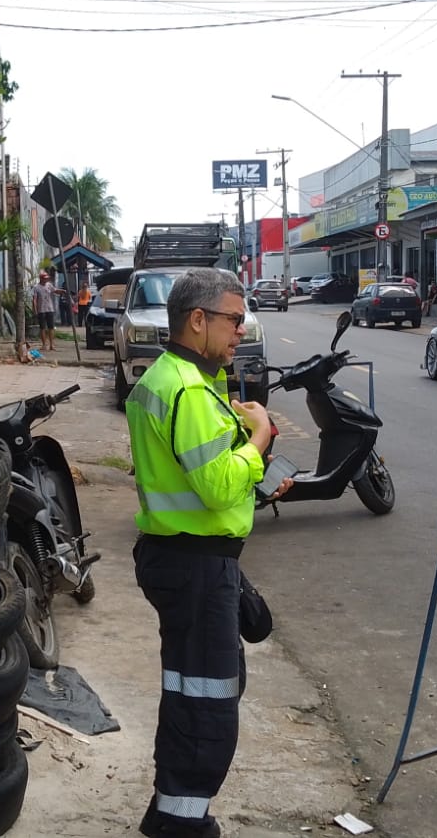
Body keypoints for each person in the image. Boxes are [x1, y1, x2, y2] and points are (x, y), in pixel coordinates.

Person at [125, 267, 293, 838]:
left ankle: (170, 811)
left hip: (184, 557)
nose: (241, 331)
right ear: (198, 321)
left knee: (195, 688)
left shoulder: (168, 378)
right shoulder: (190, 390)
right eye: (234, 319)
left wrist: (256, 470)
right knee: (205, 701)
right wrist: (261, 439)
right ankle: (179, 824)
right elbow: (217, 485)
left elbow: (204, 475)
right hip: (194, 565)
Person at [31, 271, 59, 351]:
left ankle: (51, 345)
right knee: (42, 327)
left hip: (49, 308)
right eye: (45, 278)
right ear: (41, 279)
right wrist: (35, 310)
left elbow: (55, 290)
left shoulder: (49, 285)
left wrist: (61, 291)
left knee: (51, 327)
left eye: (47, 278)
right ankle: (44, 345)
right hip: (41, 310)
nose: (46, 280)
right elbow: (34, 300)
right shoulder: (36, 287)